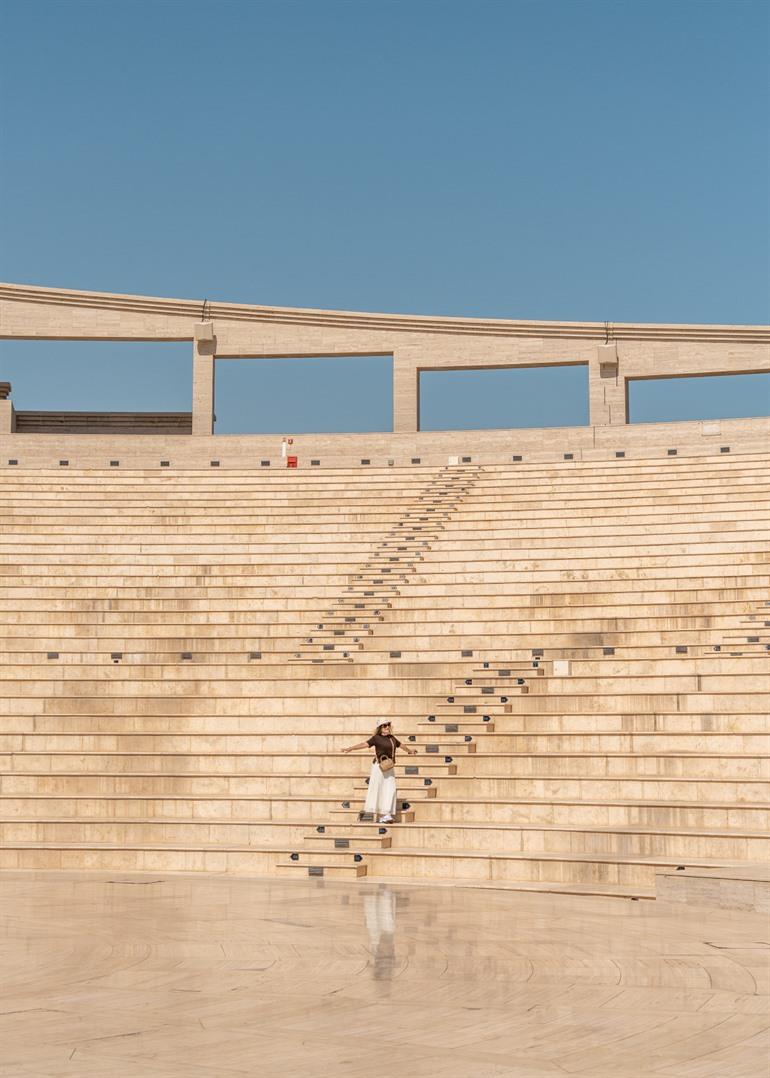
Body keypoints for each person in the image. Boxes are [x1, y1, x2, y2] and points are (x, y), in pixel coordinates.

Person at [343, 722, 417, 823]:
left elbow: (401, 745)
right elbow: (364, 744)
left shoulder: (392, 738)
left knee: (391, 790)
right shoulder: (376, 738)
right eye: (384, 726)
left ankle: (387, 814)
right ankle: (383, 815)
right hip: (379, 768)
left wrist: (410, 751)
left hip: (389, 767)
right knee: (380, 790)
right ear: (380, 728)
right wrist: (350, 748)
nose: (387, 727)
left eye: (388, 725)